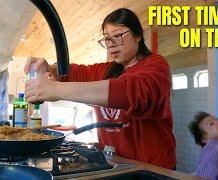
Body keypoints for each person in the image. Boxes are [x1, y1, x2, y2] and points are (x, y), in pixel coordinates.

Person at [24, 8, 176, 169]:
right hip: (114, 164)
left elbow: (131, 92)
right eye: (106, 38)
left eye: (118, 36)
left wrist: (56, 89)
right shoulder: (106, 70)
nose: (111, 44)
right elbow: (74, 72)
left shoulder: (156, 65)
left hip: (153, 168)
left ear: (138, 35)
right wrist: (51, 68)